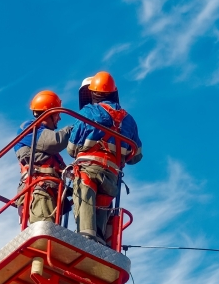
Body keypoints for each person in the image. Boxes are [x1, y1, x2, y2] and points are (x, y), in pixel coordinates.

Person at [68, 72, 142, 243]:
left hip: (88, 169)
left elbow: (71, 149)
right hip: (112, 175)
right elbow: (136, 156)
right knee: (103, 204)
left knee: (84, 198)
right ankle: (100, 238)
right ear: (113, 92)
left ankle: (86, 237)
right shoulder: (129, 120)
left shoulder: (88, 112)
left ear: (93, 93)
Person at [14, 90, 73, 224]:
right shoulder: (30, 129)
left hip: (49, 193)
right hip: (40, 191)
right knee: (44, 238)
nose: (60, 118)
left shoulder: (48, 152)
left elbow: (58, 170)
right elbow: (55, 141)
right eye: (57, 114)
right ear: (49, 113)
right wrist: (76, 128)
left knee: (50, 237)